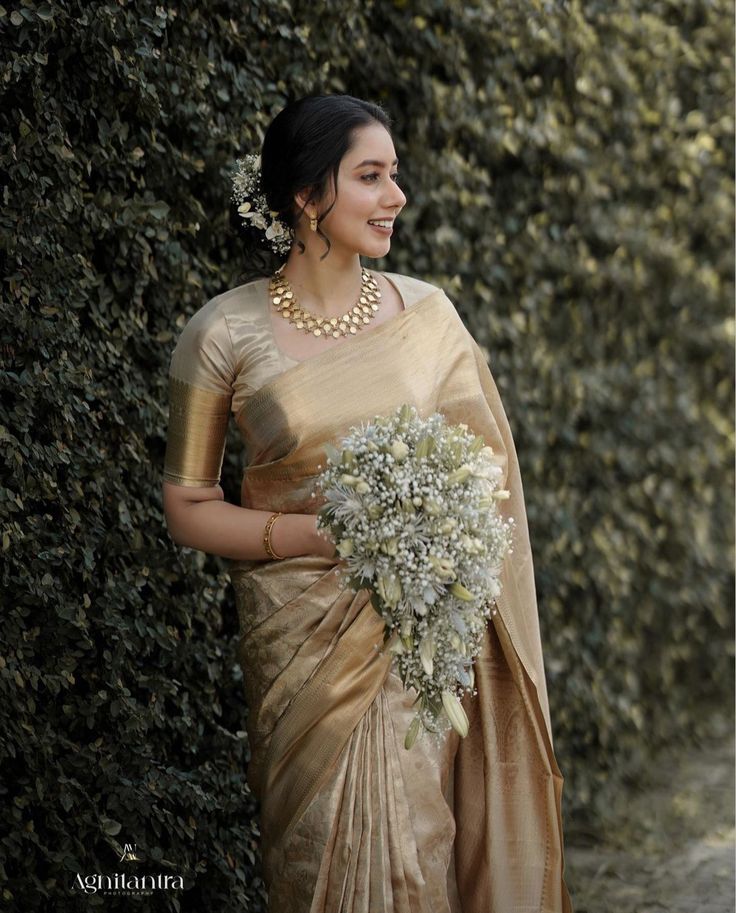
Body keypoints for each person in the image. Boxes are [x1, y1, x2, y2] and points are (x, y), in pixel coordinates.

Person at [162, 94, 574, 913]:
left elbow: (487, 477)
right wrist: (318, 536)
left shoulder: (426, 317)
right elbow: (188, 504)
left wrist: (433, 540)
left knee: (419, 842)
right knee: (313, 854)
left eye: (396, 175)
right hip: (299, 645)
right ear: (307, 195)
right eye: (371, 177)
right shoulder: (221, 334)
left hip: (416, 639)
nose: (397, 197)